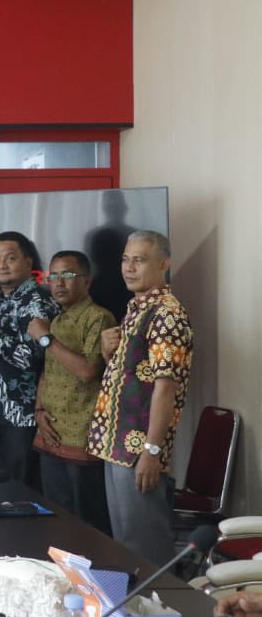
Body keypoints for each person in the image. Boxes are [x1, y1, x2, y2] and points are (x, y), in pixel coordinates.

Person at [87, 230, 193, 562]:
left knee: (145, 545)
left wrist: (152, 451)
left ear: (163, 264)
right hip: (116, 444)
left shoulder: (166, 313)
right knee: (125, 542)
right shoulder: (137, 307)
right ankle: (134, 596)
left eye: (140, 260)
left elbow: (166, 386)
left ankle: (161, 597)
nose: (129, 268)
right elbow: (133, 375)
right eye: (125, 259)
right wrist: (108, 352)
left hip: (138, 450)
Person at [30, 250, 115, 534]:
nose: (58, 283)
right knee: (56, 519)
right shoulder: (56, 319)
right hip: (50, 433)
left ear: (87, 281)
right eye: (53, 276)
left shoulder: (98, 317)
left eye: (67, 275)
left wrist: (46, 338)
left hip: (82, 437)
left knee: (87, 523)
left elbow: (89, 371)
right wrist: (38, 411)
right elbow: (47, 372)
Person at [0, 231, 58, 483]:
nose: (1, 265)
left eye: (10, 258)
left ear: (28, 262)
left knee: (20, 489)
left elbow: (29, 359)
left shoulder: (37, 302)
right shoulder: (0, 300)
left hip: (21, 414)